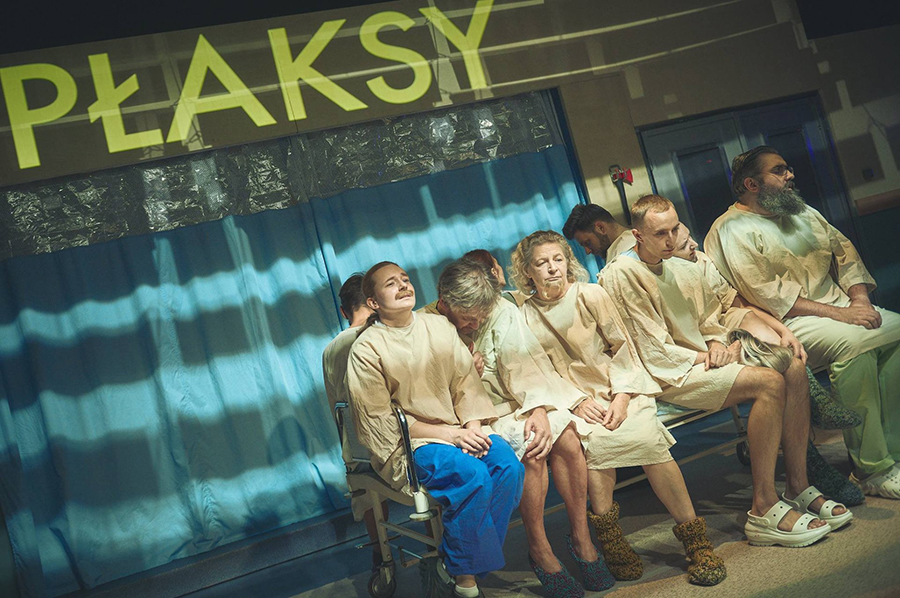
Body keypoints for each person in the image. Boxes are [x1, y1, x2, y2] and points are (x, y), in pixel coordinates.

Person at [600, 195, 850, 549]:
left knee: (793, 367)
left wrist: (719, 343)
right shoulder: (622, 274)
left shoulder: (677, 265)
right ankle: (763, 507)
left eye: (674, 229)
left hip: (700, 359)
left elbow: (707, 318)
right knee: (768, 383)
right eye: (660, 234)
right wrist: (706, 354)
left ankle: (798, 484)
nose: (671, 240)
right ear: (638, 236)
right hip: (666, 374)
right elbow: (650, 349)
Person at [510, 231, 727, 587]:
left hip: (621, 389)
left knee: (650, 443)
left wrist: (623, 397)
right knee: (594, 448)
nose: (552, 268)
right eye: (542, 263)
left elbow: (623, 347)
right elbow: (539, 370)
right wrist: (577, 402)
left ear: (568, 261)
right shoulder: (524, 315)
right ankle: (612, 541)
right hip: (573, 403)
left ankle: (695, 540)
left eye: (558, 259)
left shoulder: (590, 294)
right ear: (527, 271)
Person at [705, 146, 900, 500]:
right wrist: (842, 314)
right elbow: (767, 293)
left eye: (788, 168)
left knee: (895, 331)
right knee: (856, 345)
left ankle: (895, 453)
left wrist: (858, 299)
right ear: (751, 184)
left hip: (842, 309)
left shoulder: (804, 212)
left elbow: (844, 253)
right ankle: (871, 468)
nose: (790, 175)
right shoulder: (730, 228)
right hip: (787, 323)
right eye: (779, 171)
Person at [433, 256, 612, 596]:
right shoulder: (429, 324)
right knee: (533, 448)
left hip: (521, 400)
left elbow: (524, 364)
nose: (476, 322)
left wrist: (538, 408)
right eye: (469, 317)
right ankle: (540, 548)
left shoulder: (500, 309)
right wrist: (463, 370)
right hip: (477, 415)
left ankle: (581, 537)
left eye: (482, 315)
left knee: (566, 435)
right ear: (445, 303)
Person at [347, 262, 524, 598]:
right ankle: (466, 580)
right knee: (472, 475)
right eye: (391, 283)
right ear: (373, 302)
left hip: (460, 427)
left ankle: (454, 565)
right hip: (413, 443)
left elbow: (466, 383)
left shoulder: (439, 326)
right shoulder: (367, 349)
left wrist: (473, 429)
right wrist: (451, 436)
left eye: (405, 279)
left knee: (508, 466)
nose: (403, 285)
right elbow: (380, 421)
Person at [670, 224, 865, 504]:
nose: (695, 246)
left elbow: (737, 304)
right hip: (703, 343)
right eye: (684, 245)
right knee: (782, 372)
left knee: (783, 354)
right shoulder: (658, 278)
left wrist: (783, 331)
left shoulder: (700, 261)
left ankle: (802, 473)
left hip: (726, 323)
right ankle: (810, 457)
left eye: (691, 238)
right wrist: (719, 346)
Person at [322, 275, 394, 571]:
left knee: (368, 493)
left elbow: (337, 408)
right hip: (397, 439)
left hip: (359, 450)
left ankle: (381, 555)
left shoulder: (330, 350)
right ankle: (437, 546)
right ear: (374, 301)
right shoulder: (383, 335)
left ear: (343, 311)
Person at [562, 203, 635, 265]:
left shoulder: (624, 257)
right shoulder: (634, 242)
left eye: (588, 243)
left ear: (600, 228)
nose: (587, 251)